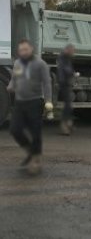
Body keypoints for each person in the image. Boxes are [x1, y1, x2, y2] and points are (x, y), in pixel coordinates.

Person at [7, 39, 53, 175]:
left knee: (35, 132)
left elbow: (47, 83)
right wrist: (10, 86)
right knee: (15, 129)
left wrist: (48, 101)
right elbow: (14, 79)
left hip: (35, 101)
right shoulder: (17, 63)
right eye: (21, 50)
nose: (23, 52)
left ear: (31, 49)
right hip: (20, 102)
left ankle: (36, 159)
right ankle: (30, 151)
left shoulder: (40, 64)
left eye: (25, 49)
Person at [56, 44, 76, 135]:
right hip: (64, 83)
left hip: (65, 83)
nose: (73, 52)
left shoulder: (65, 57)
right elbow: (65, 70)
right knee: (67, 106)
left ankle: (69, 124)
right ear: (68, 50)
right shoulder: (63, 58)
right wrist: (73, 73)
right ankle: (65, 126)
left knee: (68, 105)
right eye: (72, 50)